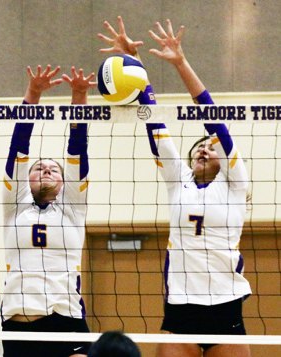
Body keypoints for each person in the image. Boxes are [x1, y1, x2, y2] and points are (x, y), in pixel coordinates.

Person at [99, 16, 252, 357]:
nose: (204, 148)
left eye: (212, 147)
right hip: (181, 306)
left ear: (223, 159)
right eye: (200, 146)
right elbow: (155, 125)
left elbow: (212, 116)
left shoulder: (235, 184)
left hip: (225, 305)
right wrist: (134, 69)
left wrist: (181, 62)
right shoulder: (178, 181)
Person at [0, 64, 95, 357]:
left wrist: (78, 96)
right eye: (38, 168)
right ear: (26, 180)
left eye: (54, 169)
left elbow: (77, 149)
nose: (46, 169)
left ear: (65, 182)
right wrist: (32, 94)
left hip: (65, 318)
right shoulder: (14, 207)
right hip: (19, 324)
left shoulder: (72, 209)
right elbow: (18, 147)